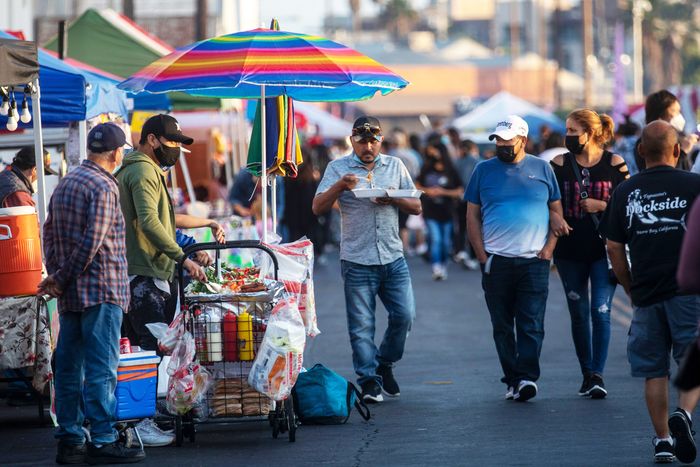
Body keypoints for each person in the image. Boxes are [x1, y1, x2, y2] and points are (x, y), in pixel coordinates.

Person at [39, 123, 145, 465]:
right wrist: (62, 276)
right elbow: (92, 242)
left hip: (71, 294)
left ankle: (70, 439)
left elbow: (48, 233)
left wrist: (57, 277)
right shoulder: (104, 186)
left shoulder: (66, 182)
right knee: (101, 368)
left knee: (69, 368)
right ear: (116, 153)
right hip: (101, 290)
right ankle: (102, 439)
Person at [600, 120, 700, 464]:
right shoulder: (695, 185)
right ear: (677, 150)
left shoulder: (625, 191)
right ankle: (684, 414)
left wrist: (629, 287)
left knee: (653, 370)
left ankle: (662, 439)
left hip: (645, 292)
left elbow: (613, 247)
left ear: (641, 151)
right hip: (689, 291)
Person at [312, 116, 421, 403]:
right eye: (362, 142)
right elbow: (317, 207)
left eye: (373, 141)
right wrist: (339, 187)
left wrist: (393, 198)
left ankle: (384, 363)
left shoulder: (395, 166)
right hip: (357, 259)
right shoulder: (338, 168)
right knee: (361, 327)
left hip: (392, 256)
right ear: (352, 142)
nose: (368, 147)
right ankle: (369, 381)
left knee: (405, 316)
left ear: (380, 140)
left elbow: (417, 206)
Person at [116, 114, 207, 447]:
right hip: (144, 273)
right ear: (151, 139)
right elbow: (150, 223)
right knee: (149, 348)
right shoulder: (142, 171)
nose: (175, 150)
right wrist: (183, 257)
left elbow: (162, 222)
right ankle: (139, 423)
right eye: (170, 143)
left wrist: (190, 244)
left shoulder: (141, 169)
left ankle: (138, 419)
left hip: (140, 271)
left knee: (140, 349)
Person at [466, 115, 562, 402]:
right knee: (502, 326)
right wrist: (481, 255)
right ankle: (512, 378)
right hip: (497, 260)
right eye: (499, 141)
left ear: (522, 139)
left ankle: (527, 377)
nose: (502, 145)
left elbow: (556, 210)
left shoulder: (542, 168)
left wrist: (549, 250)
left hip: (534, 261)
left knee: (531, 323)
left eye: (508, 141)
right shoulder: (482, 170)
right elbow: (472, 214)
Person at [549, 109, 629, 399]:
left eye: (573, 130)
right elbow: (546, 198)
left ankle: (597, 373)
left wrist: (602, 205)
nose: (568, 136)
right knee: (579, 313)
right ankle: (586, 373)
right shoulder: (558, 163)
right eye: (567, 130)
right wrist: (554, 217)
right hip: (569, 252)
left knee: (601, 311)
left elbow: (628, 206)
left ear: (591, 133)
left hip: (604, 250)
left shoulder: (615, 164)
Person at [415, 142, 463, 280]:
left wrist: (443, 192)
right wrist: (429, 191)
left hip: (447, 211)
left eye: (434, 150)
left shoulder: (451, 169)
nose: (432, 154)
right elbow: (417, 185)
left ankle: (443, 265)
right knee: (436, 239)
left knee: (446, 242)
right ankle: (436, 267)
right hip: (430, 211)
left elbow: (459, 191)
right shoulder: (426, 168)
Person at [634, 90, 698, 172]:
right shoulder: (647, 142)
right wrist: (683, 152)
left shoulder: (678, 139)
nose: (679, 116)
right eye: (676, 111)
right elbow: (666, 174)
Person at [453, 139, 481, 270]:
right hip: (476, 199)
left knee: (461, 227)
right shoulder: (479, 162)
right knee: (474, 227)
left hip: (460, 198)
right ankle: (474, 256)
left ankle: (461, 251)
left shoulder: (458, 162)